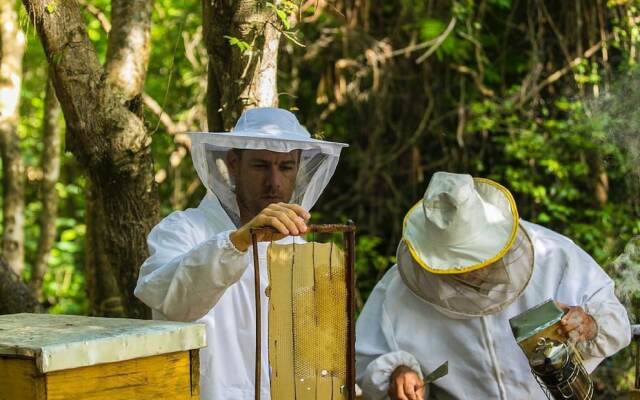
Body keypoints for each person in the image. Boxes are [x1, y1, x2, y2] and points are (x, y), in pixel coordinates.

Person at [355, 171, 631, 400]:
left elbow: (613, 321)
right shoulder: (398, 288)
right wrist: (399, 373)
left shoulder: (553, 255)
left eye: (479, 261)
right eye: (459, 267)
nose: (473, 274)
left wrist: (589, 324)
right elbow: (366, 359)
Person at [134, 107, 347, 400]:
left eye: (286, 167)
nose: (274, 181)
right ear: (234, 164)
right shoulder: (183, 230)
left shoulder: (302, 252)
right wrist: (238, 242)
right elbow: (171, 302)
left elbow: (317, 356)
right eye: (261, 166)